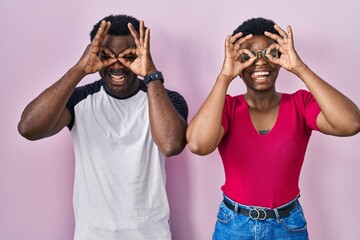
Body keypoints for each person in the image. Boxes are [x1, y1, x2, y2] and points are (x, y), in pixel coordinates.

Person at [186, 17, 360, 239]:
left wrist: (299, 67)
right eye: (248, 56)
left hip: (288, 226)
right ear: (237, 62)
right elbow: (199, 145)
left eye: (270, 54)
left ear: (279, 59)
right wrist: (224, 76)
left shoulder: (300, 104)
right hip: (234, 225)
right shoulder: (227, 107)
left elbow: (351, 123)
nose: (260, 63)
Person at [18, 14, 188, 240]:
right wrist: (80, 68)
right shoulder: (80, 99)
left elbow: (171, 145)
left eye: (128, 56)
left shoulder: (166, 100)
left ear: (141, 54)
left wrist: (151, 74)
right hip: (93, 233)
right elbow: (29, 128)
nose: (117, 64)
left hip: (151, 233)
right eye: (106, 55)